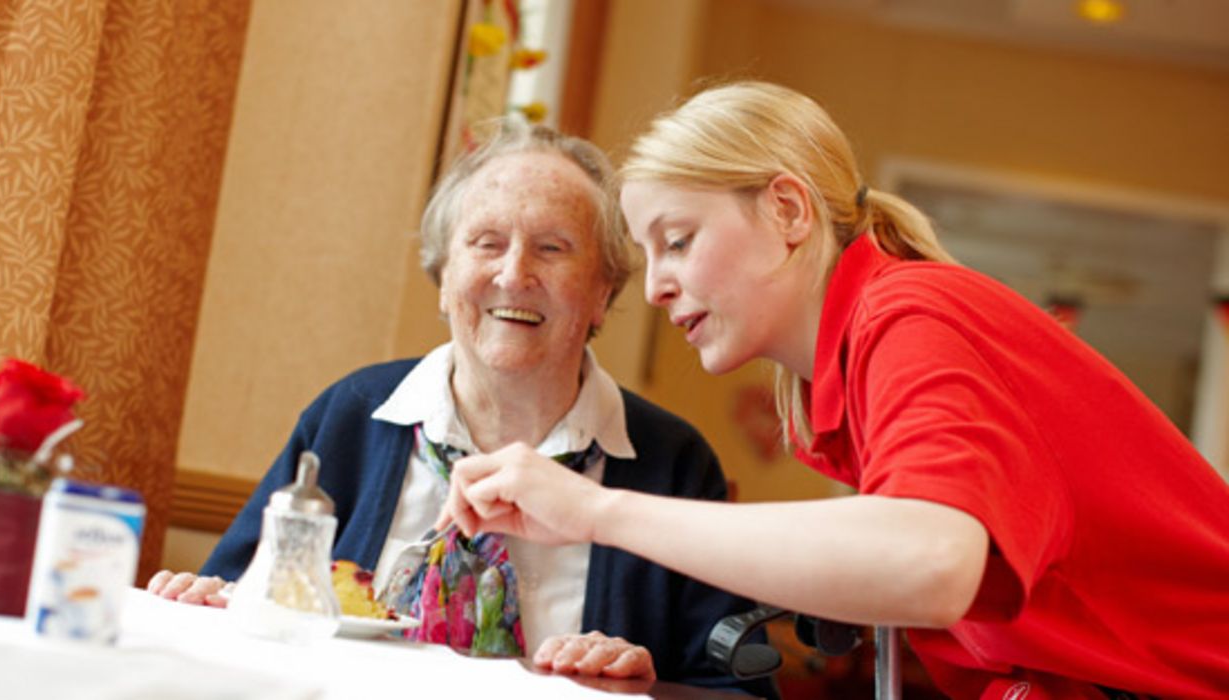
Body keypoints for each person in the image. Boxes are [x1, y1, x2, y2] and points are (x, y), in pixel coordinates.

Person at [438, 81, 1229, 699]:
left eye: (678, 241)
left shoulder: (911, 313)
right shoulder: (844, 382)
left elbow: (929, 563)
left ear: (786, 209)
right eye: (649, 258)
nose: (657, 288)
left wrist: (592, 511)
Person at [148, 120, 776, 696]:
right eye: (486, 242)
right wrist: (206, 608)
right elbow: (239, 607)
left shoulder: (673, 464)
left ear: (603, 293)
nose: (514, 273)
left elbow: (739, 692)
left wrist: (645, 685)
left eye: (553, 248)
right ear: (444, 275)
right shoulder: (351, 416)